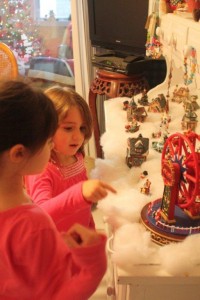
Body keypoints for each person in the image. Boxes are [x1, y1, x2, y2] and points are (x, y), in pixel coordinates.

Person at [0, 80, 108, 299]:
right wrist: (94, 267)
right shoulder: (33, 226)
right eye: (49, 140)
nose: (51, 147)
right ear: (19, 154)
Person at [25, 86, 116, 232]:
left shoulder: (76, 156)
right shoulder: (42, 170)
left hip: (80, 235)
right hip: (59, 244)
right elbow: (42, 213)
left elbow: (83, 208)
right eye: (68, 128)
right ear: (45, 127)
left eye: (82, 128)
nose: (78, 137)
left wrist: (90, 226)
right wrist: (80, 193)